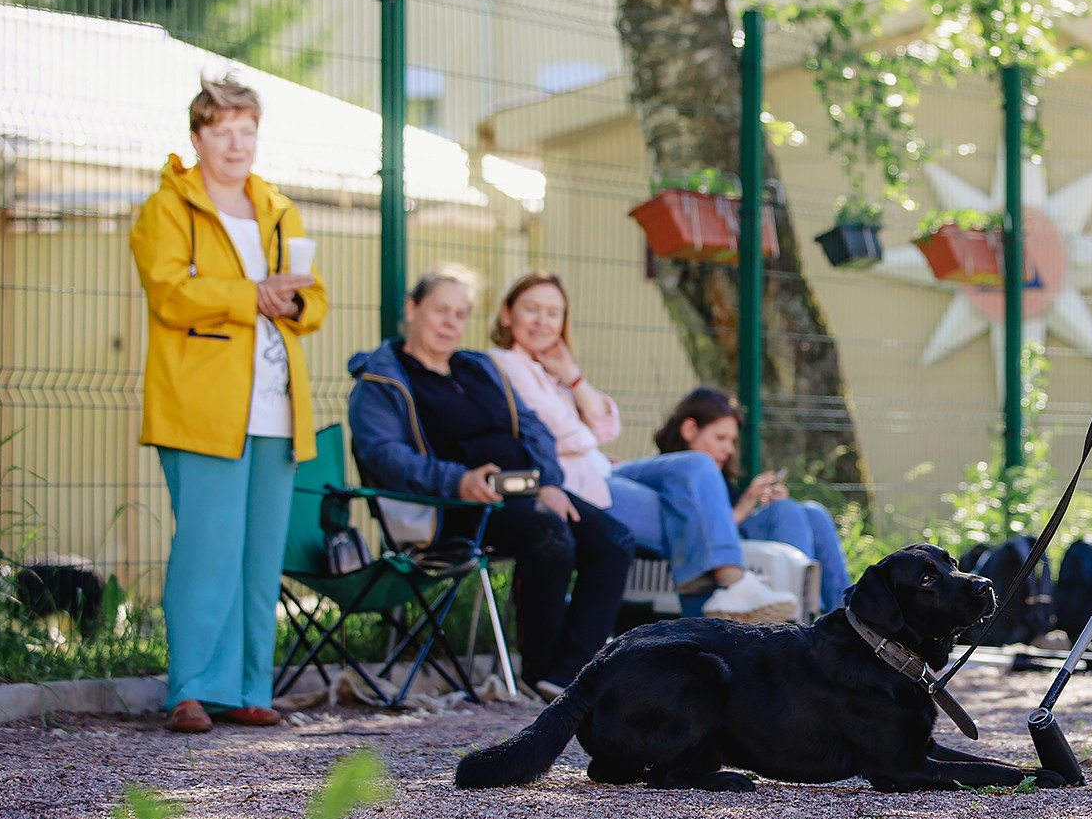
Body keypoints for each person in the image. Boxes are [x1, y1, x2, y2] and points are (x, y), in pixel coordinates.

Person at [131, 74, 328, 734]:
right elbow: (169, 292)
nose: (238, 145)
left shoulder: (277, 207)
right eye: (224, 132)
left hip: (276, 408)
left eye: (248, 131)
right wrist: (252, 296)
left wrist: (291, 302)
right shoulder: (167, 207)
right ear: (197, 137)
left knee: (259, 555)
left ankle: (248, 687)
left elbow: (315, 300)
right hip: (202, 407)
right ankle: (191, 689)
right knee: (206, 549)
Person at [348, 265, 633, 699]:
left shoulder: (478, 367)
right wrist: (458, 481)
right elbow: (385, 457)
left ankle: (570, 672)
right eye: (441, 310)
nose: (451, 322)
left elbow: (534, 429)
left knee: (614, 539)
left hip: (523, 490)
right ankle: (541, 672)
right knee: (549, 534)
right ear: (411, 308)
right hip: (450, 507)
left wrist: (549, 481)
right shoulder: (382, 379)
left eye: (460, 314)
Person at [486, 271, 797, 625]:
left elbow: (607, 426)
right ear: (507, 314)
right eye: (532, 309)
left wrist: (573, 377)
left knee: (695, 472)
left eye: (553, 313)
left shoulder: (553, 371)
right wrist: (586, 436)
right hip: (574, 484)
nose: (543, 322)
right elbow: (565, 434)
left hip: (601, 471)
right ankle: (729, 594)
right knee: (690, 517)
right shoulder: (505, 365)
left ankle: (723, 608)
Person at [652, 388, 852, 614]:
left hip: (745, 546)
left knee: (813, 513)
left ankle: (845, 613)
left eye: (732, 441)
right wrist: (748, 503)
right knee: (785, 511)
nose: (728, 449)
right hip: (717, 560)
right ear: (690, 429)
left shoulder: (716, 474)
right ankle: (800, 612)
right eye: (720, 438)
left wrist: (763, 504)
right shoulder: (678, 472)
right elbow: (704, 532)